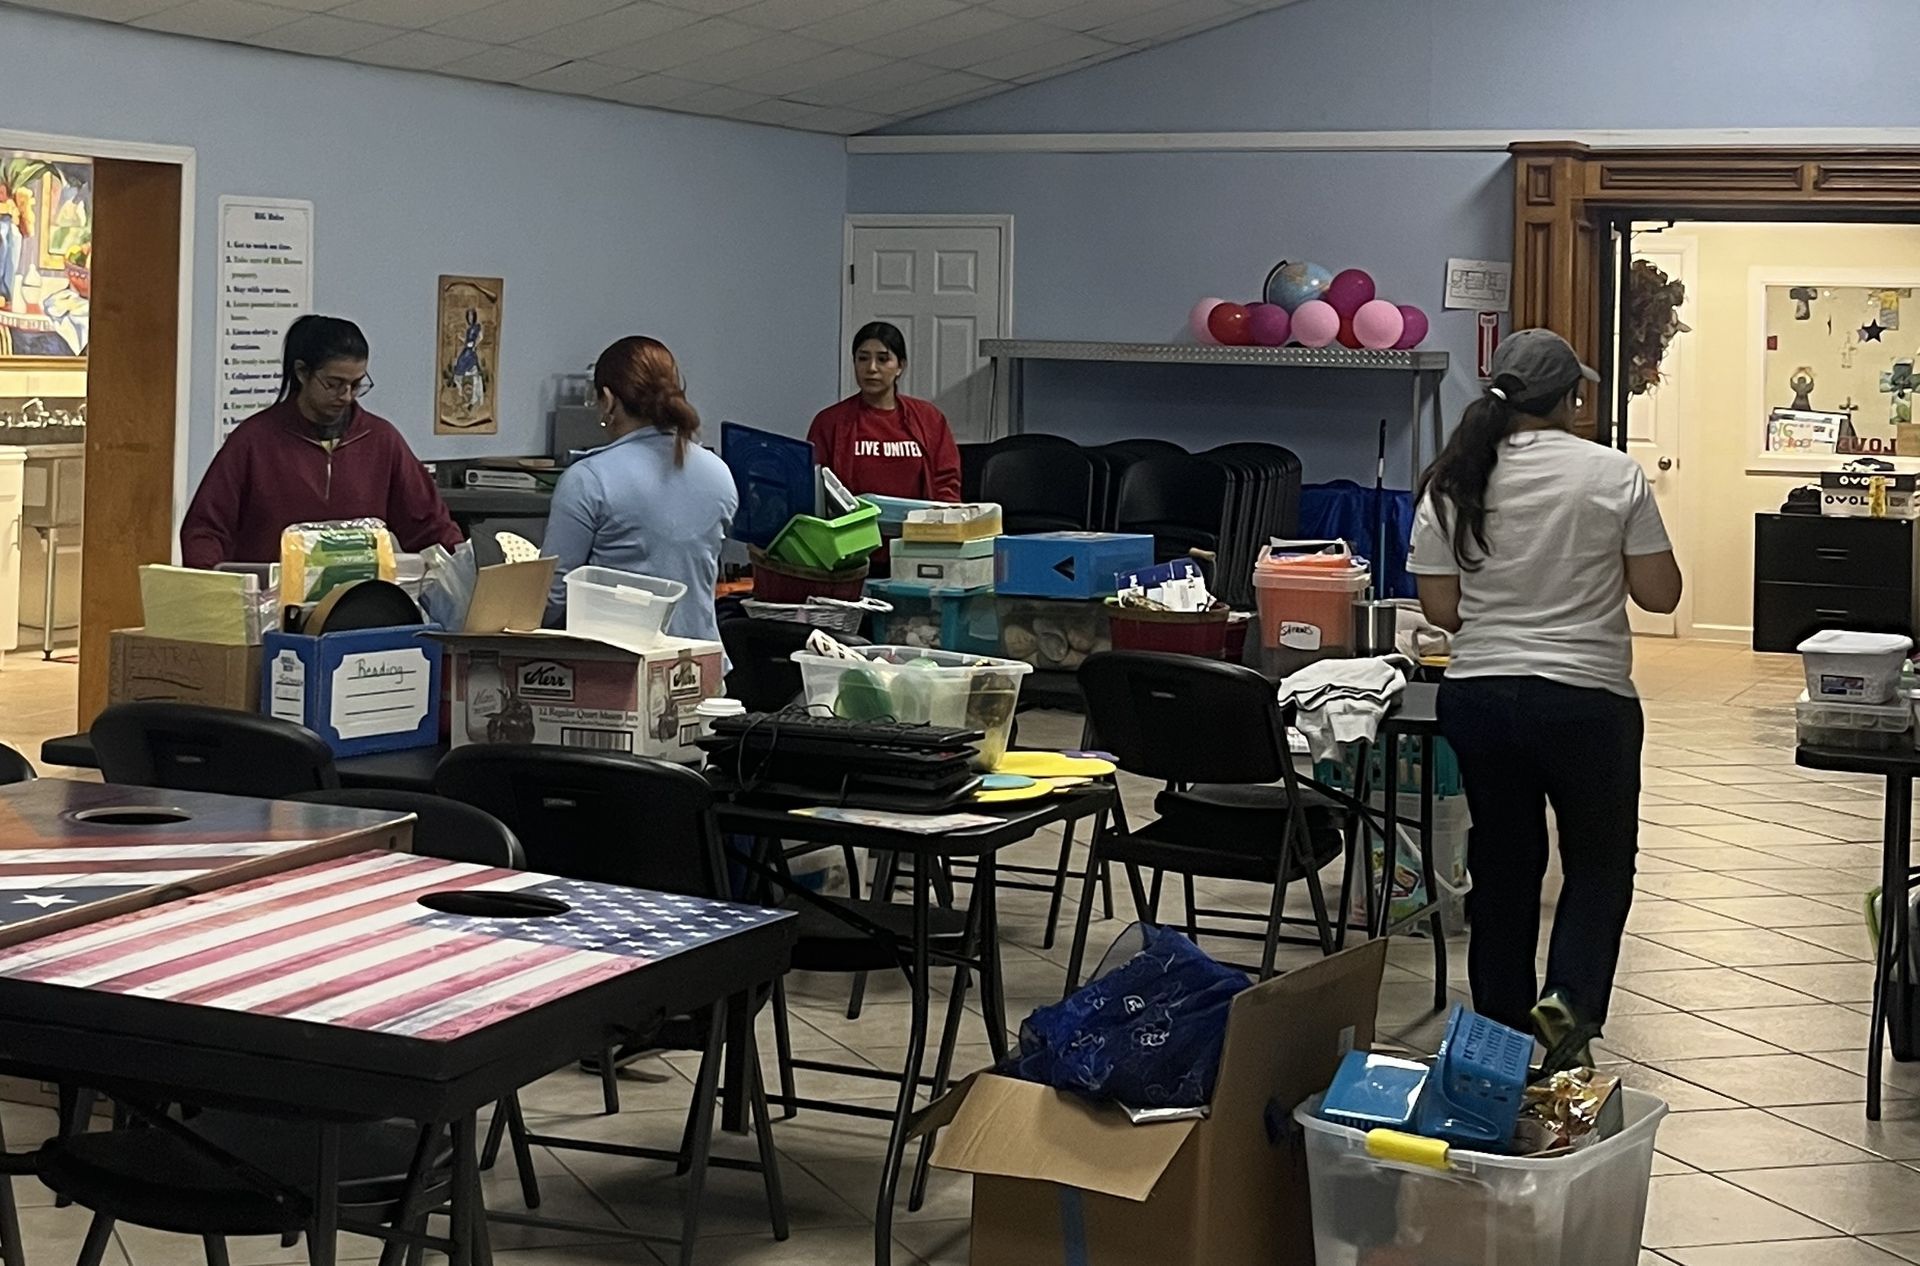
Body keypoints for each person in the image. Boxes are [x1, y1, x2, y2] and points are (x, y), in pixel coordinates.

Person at [1407, 329, 1682, 1065]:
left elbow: (1442, 611)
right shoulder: (1613, 475)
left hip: (1481, 697)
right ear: (1571, 398)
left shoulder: (1453, 479)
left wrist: (1510, 601)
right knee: (1596, 865)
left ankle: (1498, 1036)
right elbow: (1661, 596)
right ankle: (1565, 1025)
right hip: (1586, 702)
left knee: (1503, 863)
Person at [180, 316, 461, 568]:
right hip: (269, 605)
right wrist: (217, 592)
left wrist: (466, 568)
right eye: (334, 383)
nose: (346, 395)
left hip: (358, 604)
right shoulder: (254, 441)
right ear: (302, 373)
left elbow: (431, 528)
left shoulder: (381, 440)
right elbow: (205, 530)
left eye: (356, 384)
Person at [542, 336, 736, 643]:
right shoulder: (719, 473)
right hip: (701, 664)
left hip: (621, 669)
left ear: (607, 399)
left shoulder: (589, 479)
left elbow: (553, 598)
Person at [808, 321, 962, 500]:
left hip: (919, 525)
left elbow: (946, 484)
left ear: (900, 366)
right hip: (853, 526)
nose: (871, 368)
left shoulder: (930, 418)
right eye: (863, 358)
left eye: (883, 359)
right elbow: (815, 488)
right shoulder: (829, 422)